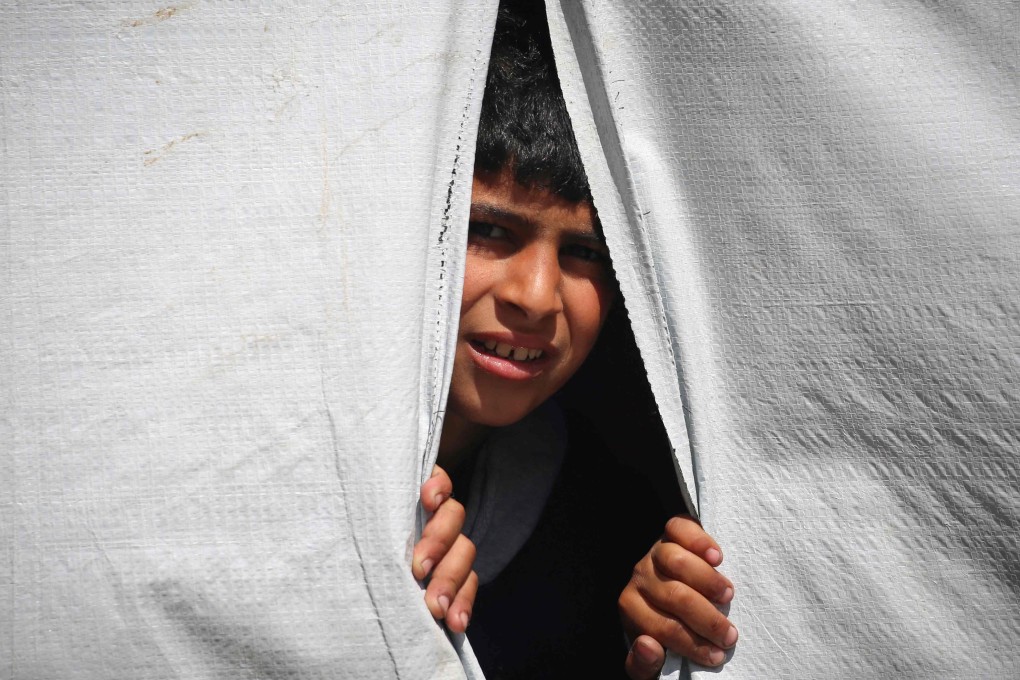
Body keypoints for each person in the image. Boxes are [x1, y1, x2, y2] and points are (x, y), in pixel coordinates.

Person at [411, 2, 737, 677]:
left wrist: (638, 644)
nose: (534, 297)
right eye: (492, 230)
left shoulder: (602, 514)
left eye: (585, 251)